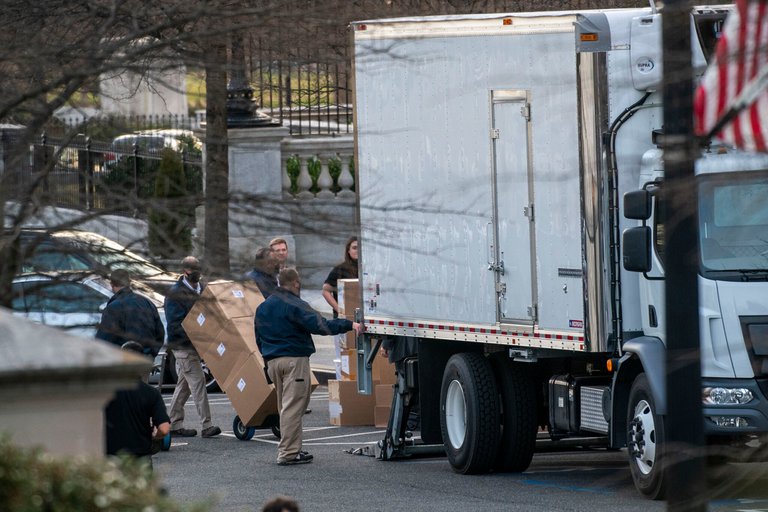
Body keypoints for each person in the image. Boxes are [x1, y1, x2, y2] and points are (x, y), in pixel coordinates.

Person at [256, 267, 362, 465]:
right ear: (296, 283)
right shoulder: (297, 305)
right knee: (294, 407)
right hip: (294, 361)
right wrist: (349, 325)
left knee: (285, 407)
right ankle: (288, 453)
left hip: (272, 361)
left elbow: (258, 337)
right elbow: (321, 326)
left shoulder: (263, 306)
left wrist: (266, 361)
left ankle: (294, 448)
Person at [165, 256, 221, 438]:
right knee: (198, 383)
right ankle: (207, 425)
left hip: (197, 346)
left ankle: (173, 423)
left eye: (198, 269)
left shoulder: (202, 289)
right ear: (185, 271)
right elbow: (175, 325)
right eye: (193, 270)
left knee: (184, 386)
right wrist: (196, 336)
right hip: (183, 347)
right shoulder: (175, 294)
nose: (197, 273)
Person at [104, 341, 170, 464]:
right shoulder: (151, 393)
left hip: (112, 457)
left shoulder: (106, 391)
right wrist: (155, 438)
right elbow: (164, 429)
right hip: (141, 456)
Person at [95, 269, 165, 356]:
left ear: (112, 284)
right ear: (129, 282)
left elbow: (104, 340)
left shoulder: (114, 308)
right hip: (145, 361)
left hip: (124, 362)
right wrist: (150, 354)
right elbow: (160, 334)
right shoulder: (147, 303)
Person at [321, 236, 359, 379]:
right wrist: (340, 309)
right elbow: (325, 290)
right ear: (348, 251)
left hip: (362, 320)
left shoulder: (368, 268)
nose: (358, 251)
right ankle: (343, 384)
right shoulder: (340, 269)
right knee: (344, 355)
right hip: (343, 321)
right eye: (354, 248)